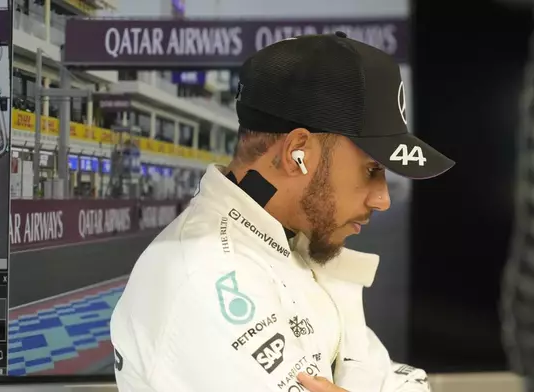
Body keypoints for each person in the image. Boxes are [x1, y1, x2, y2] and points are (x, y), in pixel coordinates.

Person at [110, 31, 454, 392]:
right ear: (296, 153)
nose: (381, 199)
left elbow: (398, 379)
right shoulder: (205, 276)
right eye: (371, 170)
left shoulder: (289, 241)